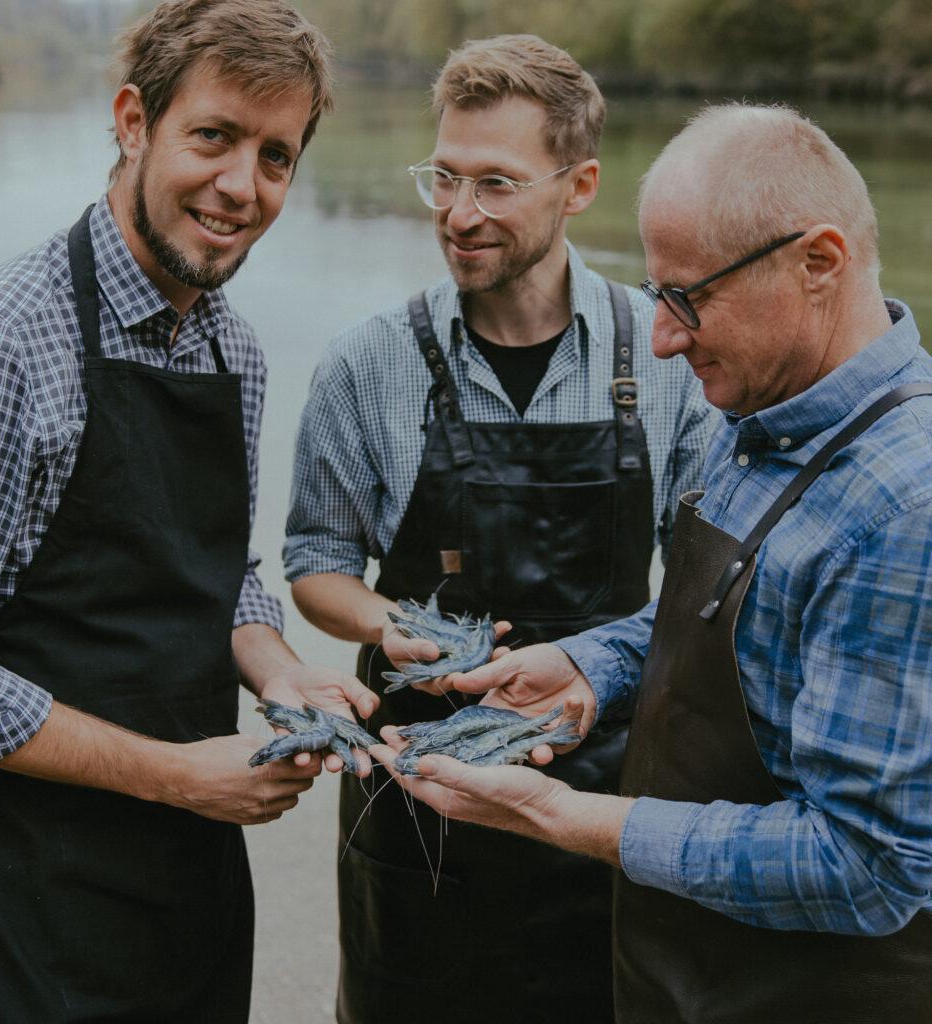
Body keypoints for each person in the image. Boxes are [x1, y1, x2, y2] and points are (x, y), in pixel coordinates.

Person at [376, 103, 932, 1024]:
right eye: (656, 295)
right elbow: (720, 617)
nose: (665, 337)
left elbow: (869, 865)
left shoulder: (905, 505)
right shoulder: (755, 414)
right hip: (674, 975)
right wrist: (592, 665)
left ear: (819, 263)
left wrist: (558, 815)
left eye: (689, 297)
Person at [0, 2, 378, 1021]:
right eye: (212, 136)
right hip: (34, 871)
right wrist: (176, 776)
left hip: (195, 862)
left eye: (276, 156)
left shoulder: (235, 351)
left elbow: (221, 573)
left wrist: (282, 668)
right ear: (133, 121)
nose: (241, 186)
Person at [284, 35, 715, 1024]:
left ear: (580, 186)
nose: (456, 213)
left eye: (494, 183)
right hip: (416, 803)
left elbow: (702, 590)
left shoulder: (665, 358)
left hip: (604, 807)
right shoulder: (366, 364)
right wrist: (388, 621)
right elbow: (314, 564)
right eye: (442, 176)